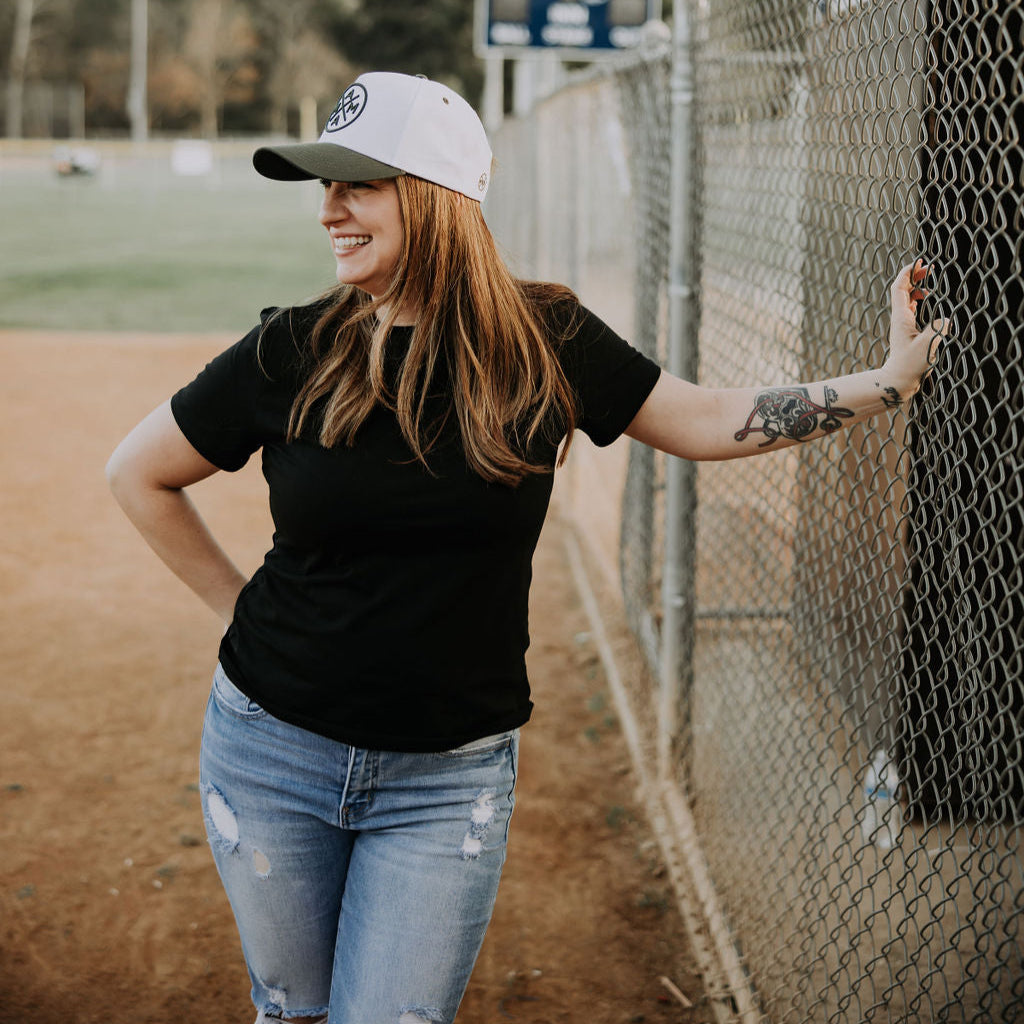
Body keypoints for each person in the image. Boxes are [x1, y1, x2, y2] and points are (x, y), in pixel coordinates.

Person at [106, 71, 947, 1024]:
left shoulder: (547, 340)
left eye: (359, 183)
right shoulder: (292, 349)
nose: (330, 209)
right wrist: (241, 611)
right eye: (324, 185)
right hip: (271, 755)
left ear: (434, 198)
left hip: (444, 779)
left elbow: (709, 419)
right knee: (292, 1009)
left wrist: (884, 384)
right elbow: (139, 473)